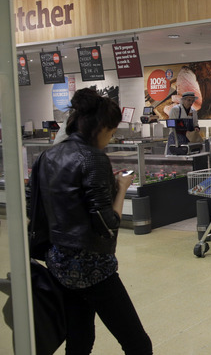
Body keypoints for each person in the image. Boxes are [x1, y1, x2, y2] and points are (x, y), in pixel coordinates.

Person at [30, 88, 153, 354]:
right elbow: (107, 224)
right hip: (92, 266)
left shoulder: (47, 156)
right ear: (101, 128)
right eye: (111, 132)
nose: (110, 139)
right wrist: (121, 188)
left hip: (59, 262)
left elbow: (35, 205)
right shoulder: (93, 158)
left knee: (80, 339)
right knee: (138, 343)